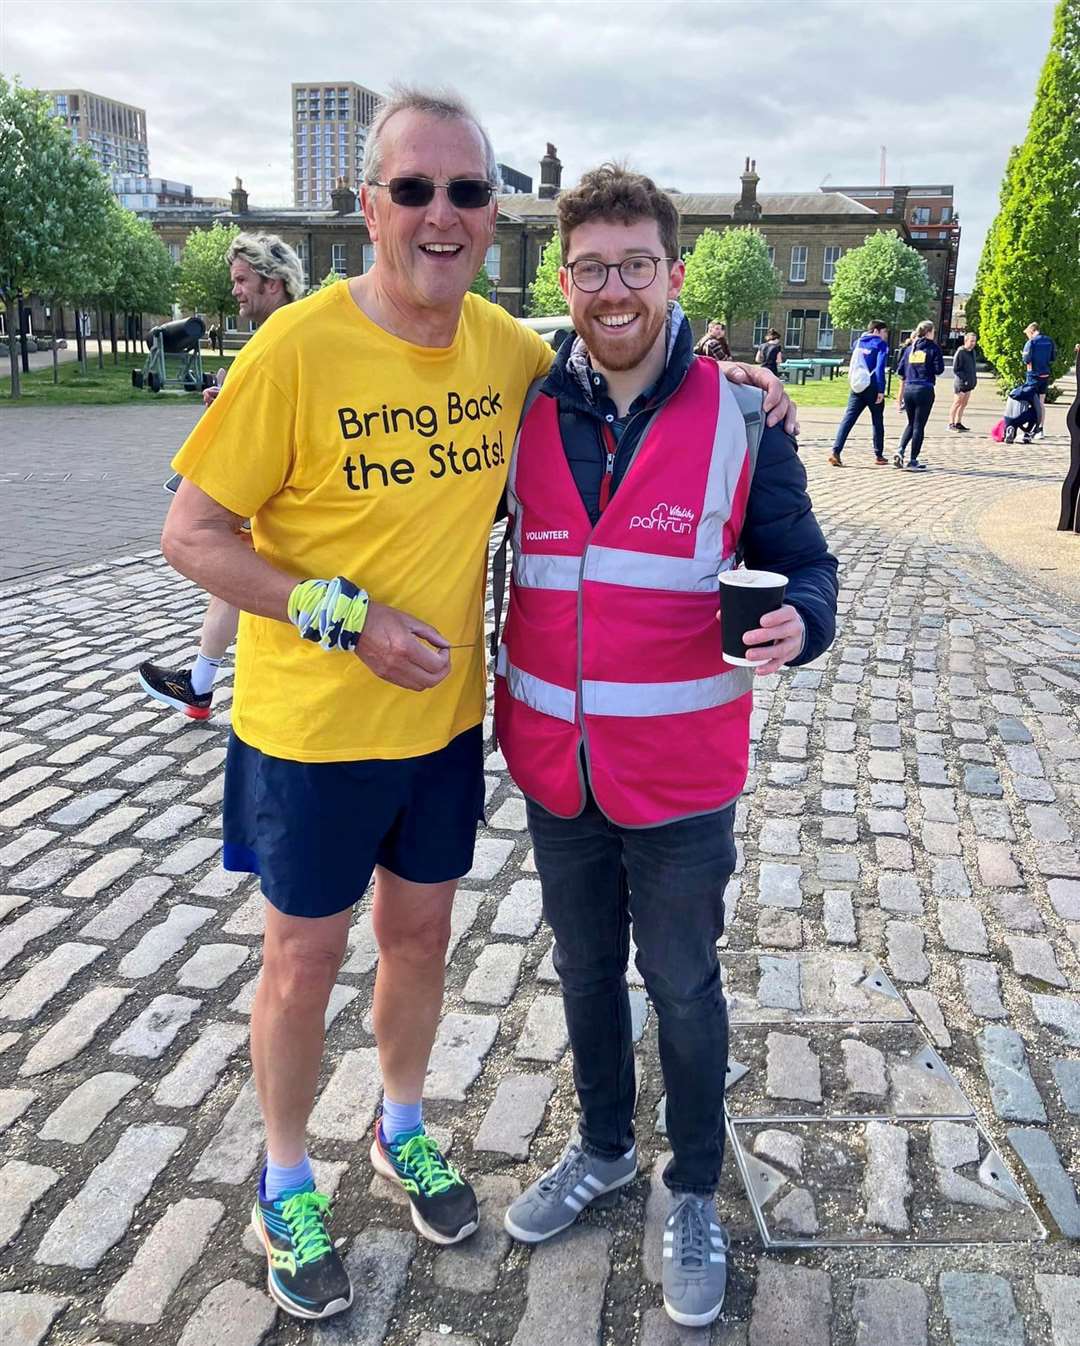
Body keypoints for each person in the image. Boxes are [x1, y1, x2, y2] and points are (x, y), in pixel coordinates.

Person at [158, 90, 794, 1323]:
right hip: (312, 732)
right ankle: (284, 1177)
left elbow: (626, 359)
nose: (439, 215)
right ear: (371, 204)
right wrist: (336, 613)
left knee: (418, 944)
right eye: (414, 190)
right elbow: (190, 531)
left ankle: (402, 1127)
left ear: (491, 215)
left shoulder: (510, 352)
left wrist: (738, 382)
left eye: (464, 192)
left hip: (447, 723)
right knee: (302, 958)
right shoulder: (294, 345)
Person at [494, 164, 837, 1329]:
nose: (613, 288)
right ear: (565, 277)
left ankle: (689, 1183)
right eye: (590, 267)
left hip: (683, 779)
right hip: (556, 766)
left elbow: (809, 565)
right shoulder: (525, 408)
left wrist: (805, 618)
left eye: (636, 263)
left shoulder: (744, 414)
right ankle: (601, 1148)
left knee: (683, 987)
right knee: (585, 974)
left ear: (674, 272)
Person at [138, 233, 306, 719]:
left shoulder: (285, 336)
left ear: (272, 282)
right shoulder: (285, 332)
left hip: (277, 491)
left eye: (241, 280)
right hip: (270, 487)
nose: (235, 290)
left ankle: (201, 684)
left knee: (237, 578)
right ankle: (199, 683)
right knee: (233, 581)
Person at [828, 320, 890, 466]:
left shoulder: (858, 343)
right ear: (876, 331)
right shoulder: (881, 345)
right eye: (884, 331)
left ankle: (836, 451)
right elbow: (880, 367)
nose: (886, 335)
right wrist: (881, 389)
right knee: (877, 420)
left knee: (848, 419)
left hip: (857, 385)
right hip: (873, 385)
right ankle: (878, 454)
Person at [893, 319, 945, 471]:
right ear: (929, 332)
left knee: (911, 422)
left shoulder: (910, 349)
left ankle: (900, 449)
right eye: (933, 332)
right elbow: (939, 369)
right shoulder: (933, 348)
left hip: (909, 389)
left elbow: (901, 370)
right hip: (924, 389)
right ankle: (913, 460)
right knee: (919, 426)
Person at [1022, 320, 1056, 436]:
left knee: (1031, 402)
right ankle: (1040, 429)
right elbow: (1053, 357)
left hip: (1033, 375)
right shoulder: (1049, 341)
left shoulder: (1031, 343)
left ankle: (1030, 429)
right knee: (1041, 402)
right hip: (1045, 374)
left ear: (1031, 331)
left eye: (1027, 334)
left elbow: (1026, 360)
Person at [949, 330, 978, 431]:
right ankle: (951, 423)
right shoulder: (961, 352)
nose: (973, 343)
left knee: (964, 403)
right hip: (961, 382)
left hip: (970, 382)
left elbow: (972, 367)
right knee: (957, 402)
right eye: (971, 341)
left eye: (974, 341)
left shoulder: (973, 352)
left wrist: (973, 380)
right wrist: (963, 379)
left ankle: (958, 422)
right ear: (966, 340)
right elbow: (956, 368)